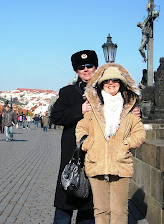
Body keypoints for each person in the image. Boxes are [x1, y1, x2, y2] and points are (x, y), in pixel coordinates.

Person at [75, 63, 146, 224]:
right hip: (96, 162)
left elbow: (140, 133)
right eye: (107, 81)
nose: (111, 83)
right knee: (101, 211)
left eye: (115, 80)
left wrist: (126, 144)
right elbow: (81, 128)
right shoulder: (94, 108)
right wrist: (88, 144)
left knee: (120, 211)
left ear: (121, 84)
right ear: (101, 84)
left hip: (121, 164)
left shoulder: (128, 108)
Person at [51, 50, 98, 224]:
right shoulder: (68, 92)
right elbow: (55, 117)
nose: (85, 69)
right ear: (76, 71)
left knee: (88, 209)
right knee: (65, 206)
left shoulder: (105, 91)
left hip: (95, 157)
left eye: (89, 66)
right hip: (72, 158)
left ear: (95, 67)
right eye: (81, 67)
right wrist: (79, 110)